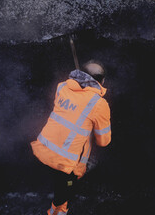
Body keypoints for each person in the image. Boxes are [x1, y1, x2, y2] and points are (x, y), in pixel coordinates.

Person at [31, 61, 112, 215]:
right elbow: (103, 141)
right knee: (66, 190)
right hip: (64, 163)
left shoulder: (61, 87)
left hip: (42, 147)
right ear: (102, 81)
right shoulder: (99, 104)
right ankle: (57, 210)